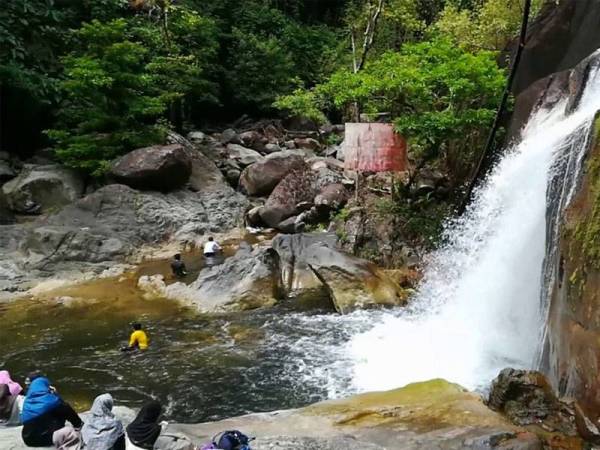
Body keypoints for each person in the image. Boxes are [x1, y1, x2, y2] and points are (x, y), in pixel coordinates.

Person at [21, 377, 83, 447]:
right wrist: (56, 395)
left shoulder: (27, 402)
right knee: (69, 431)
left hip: (28, 440)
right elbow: (67, 410)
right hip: (45, 438)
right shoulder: (51, 401)